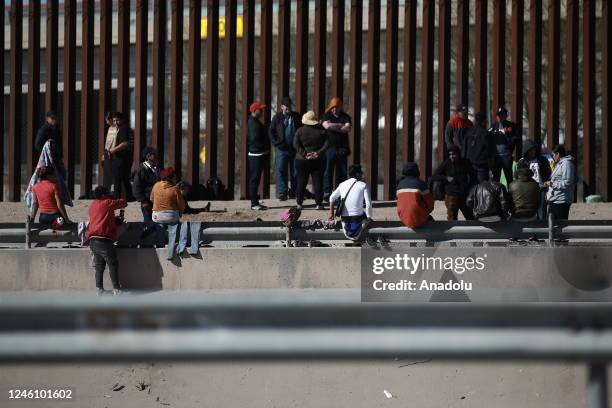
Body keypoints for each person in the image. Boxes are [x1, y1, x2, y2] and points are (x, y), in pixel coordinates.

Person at [87, 186, 128, 295]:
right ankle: (117, 289)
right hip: (104, 240)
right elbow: (124, 203)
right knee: (112, 264)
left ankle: (99, 289)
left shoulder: (92, 205)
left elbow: (101, 217)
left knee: (99, 266)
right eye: (108, 193)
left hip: (92, 240)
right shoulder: (107, 202)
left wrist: (113, 220)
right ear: (104, 195)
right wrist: (115, 198)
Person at [293, 110, 329, 210]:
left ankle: (299, 204)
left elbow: (295, 144)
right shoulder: (322, 131)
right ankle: (319, 204)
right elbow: (327, 144)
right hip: (318, 160)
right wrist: (318, 153)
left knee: (301, 182)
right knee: (318, 182)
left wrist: (305, 154)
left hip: (301, 160)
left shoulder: (299, 131)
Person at [329, 164, 373, 241]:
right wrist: (369, 217)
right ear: (357, 174)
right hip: (358, 219)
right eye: (361, 173)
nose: (362, 174)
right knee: (364, 213)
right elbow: (368, 203)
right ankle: (365, 222)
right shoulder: (363, 185)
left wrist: (331, 214)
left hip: (344, 220)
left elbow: (331, 198)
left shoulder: (342, 184)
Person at [269, 96, 301, 200]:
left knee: (295, 171)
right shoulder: (277, 118)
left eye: (289, 107)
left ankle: (294, 192)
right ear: (282, 107)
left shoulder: (296, 116)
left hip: (294, 149)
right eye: (286, 107)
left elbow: (301, 130)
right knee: (281, 169)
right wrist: (276, 143)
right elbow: (271, 131)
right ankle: (282, 193)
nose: (288, 109)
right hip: (281, 148)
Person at [431, 145, 475, 221]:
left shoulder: (465, 163)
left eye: (453, 154)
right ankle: (453, 233)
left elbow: (473, 175)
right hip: (451, 195)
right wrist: (446, 178)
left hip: (463, 194)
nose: (452, 156)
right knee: (452, 218)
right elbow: (435, 176)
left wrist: (469, 187)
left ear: (458, 154)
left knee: (470, 216)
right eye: (450, 154)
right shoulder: (446, 163)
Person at [321, 97, 352, 201]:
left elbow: (348, 128)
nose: (334, 109)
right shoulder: (326, 115)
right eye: (333, 107)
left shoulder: (345, 116)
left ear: (340, 107)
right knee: (327, 170)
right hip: (329, 148)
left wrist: (333, 126)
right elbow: (327, 126)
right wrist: (340, 125)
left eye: (337, 107)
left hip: (342, 148)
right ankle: (327, 192)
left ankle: (340, 193)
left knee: (342, 172)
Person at [515, 139, 552, 220]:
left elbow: (548, 172)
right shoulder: (522, 162)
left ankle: (542, 229)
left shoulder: (543, 160)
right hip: (528, 190)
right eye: (531, 150)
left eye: (534, 149)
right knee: (531, 212)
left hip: (541, 189)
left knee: (541, 211)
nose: (533, 151)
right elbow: (519, 177)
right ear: (527, 151)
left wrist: (546, 181)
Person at [544, 145, 578, 221]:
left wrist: (552, 184)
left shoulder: (567, 164)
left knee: (560, 225)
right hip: (556, 199)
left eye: (553, 155)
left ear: (558, 154)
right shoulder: (560, 163)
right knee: (551, 223)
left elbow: (567, 182)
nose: (552, 157)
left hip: (561, 200)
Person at [396, 162, 434, 228]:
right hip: (418, 217)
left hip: (403, 217)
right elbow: (430, 202)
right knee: (431, 222)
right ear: (417, 171)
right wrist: (427, 211)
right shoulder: (421, 184)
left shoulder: (399, 185)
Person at [247, 102, 270, 210]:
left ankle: (255, 202)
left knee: (255, 178)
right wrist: (264, 149)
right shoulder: (253, 123)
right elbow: (254, 139)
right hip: (256, 154)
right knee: (254, 179)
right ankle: (254, 203)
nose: (261, 111)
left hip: (258, 153)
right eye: (260, 109)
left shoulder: (255, 121)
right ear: (254, 111)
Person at [490, 106, 521, 184]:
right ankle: (496, 194)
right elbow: (488, 139)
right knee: (496, 177)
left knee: (509, 177)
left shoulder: (512, 126)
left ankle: (510, 195)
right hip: (496, 157)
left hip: (506, 156)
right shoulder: (494, 126)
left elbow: (516, 139)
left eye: (502, 115)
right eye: (498, 115)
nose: (499, 117)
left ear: (506, 116)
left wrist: (506, 135)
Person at [132, 147, 161, 225]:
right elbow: (136, 187)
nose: (157, 156)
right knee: (149, 223)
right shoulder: (141, 170)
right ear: (148, 156)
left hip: (158, 201)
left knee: (158, 223)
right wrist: (143, 201)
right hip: (147, 201)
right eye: (154, 155)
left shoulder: (159, 168)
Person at [108, 112, 134, 200]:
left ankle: (117, 197)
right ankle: (129, 197)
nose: (115, 122)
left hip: (121, 158)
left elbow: (124, 143)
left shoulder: (123, 129)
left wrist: (113, 150)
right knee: (125, 179)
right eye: (114, 120)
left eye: (117, 120)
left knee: (117, 179)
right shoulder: (124, 129)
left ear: (122, 120)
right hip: (125, 158)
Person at [462, 112, 493, 183]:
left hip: (469, 163)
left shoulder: (468, 132)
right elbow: (490, 151)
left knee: (471, 185)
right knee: (483, 187)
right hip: (481, 164)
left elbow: (464, 148)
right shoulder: (486, 134)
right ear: (484, 121)